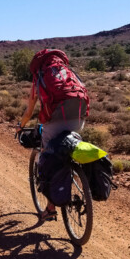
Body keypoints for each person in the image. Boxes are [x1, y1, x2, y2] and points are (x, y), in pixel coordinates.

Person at [16, 49, 90, 221]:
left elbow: (29, 111)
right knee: (66, 149)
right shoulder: (70, 74)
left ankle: (50, 209)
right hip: (79, 120)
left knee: (47, 158)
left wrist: (21, 126)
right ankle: (77, 177)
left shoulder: (40, 77)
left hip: (55, 122)